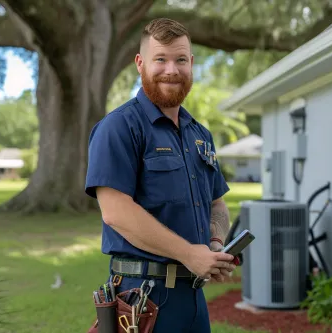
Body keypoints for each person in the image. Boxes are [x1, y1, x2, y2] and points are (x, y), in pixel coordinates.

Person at [84, 18, 238, 333]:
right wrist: (189, 254)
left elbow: (217, 204)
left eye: (180, 59)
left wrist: (215, 245)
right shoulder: (119, 128)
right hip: (143, 298)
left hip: (193, 298)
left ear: (191, 63)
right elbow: (116, 212)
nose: (172, 69)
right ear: (140, 64)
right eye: (160, 59)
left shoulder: (200, 135)